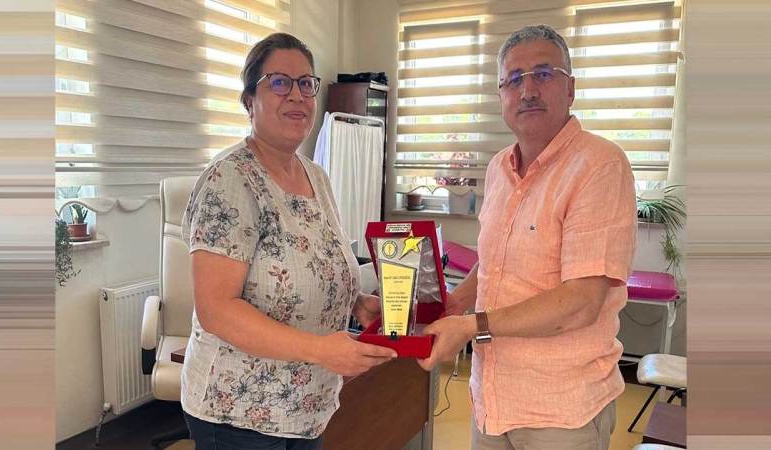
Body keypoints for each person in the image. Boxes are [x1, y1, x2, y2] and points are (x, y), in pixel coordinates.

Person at [418, 24, 638, 450]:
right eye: (514, 79)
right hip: (491, 400)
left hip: (561, 411)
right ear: (501, 94)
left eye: (543, 74)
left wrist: (471, 326)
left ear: (570, 89)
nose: (528, 90)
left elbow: (582, 301)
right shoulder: (499, 168)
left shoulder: (600, 166)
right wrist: (455, 303)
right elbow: (496, 261)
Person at [180, 32, 397, 450]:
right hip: (239, 412)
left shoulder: (317, 177)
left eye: (305, 83)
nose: (296, 95)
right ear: (250, 101)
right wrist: (320, 350)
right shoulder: (230, 180)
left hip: (308, 406)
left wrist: (354, 302)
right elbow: (216, 310)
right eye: (279, 82)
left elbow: (315, 264)